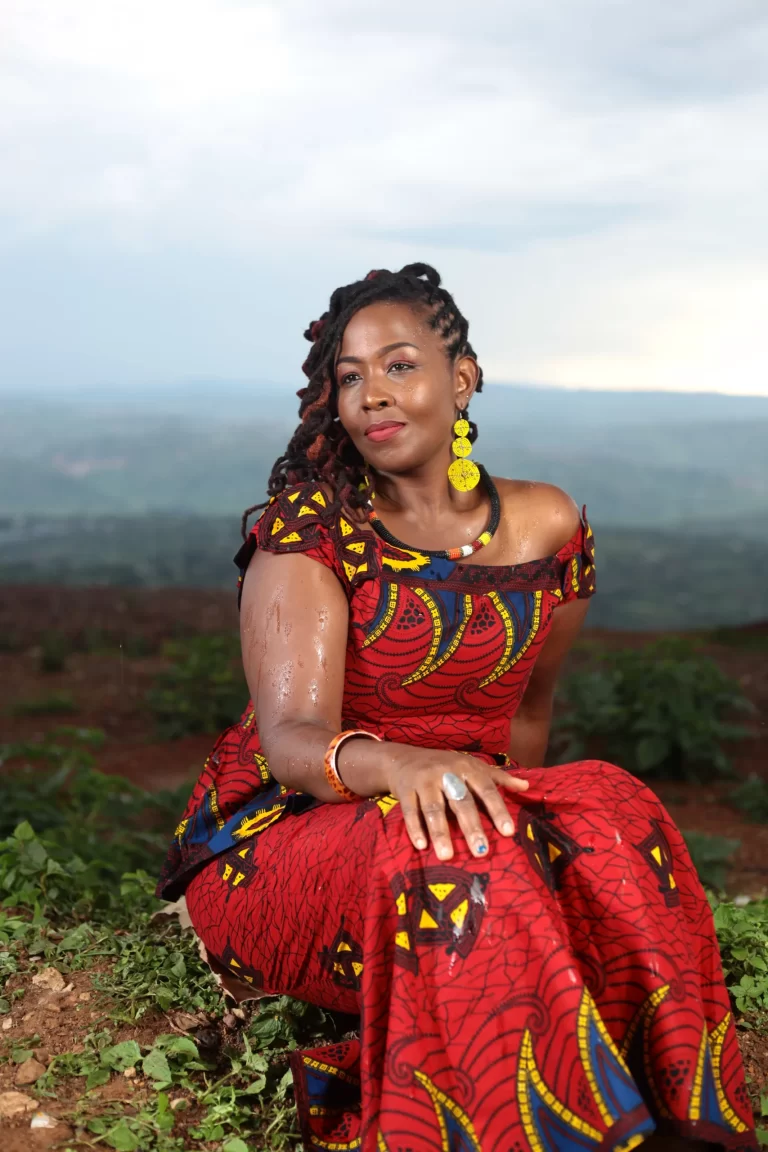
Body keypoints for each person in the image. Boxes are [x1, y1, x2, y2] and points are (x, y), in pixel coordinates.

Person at [157, 264, 756, 1152]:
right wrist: (406, 766)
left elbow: (525, 724)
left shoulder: (548, 526)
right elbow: (291, 743)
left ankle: (682, 1111)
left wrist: (535, 842)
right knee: (460, 850)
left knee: (616, 808)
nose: (372, 396)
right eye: (350, 377)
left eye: (398, 366)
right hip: (286, 837)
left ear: (463, 375)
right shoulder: (311, 531)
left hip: (463, 800)